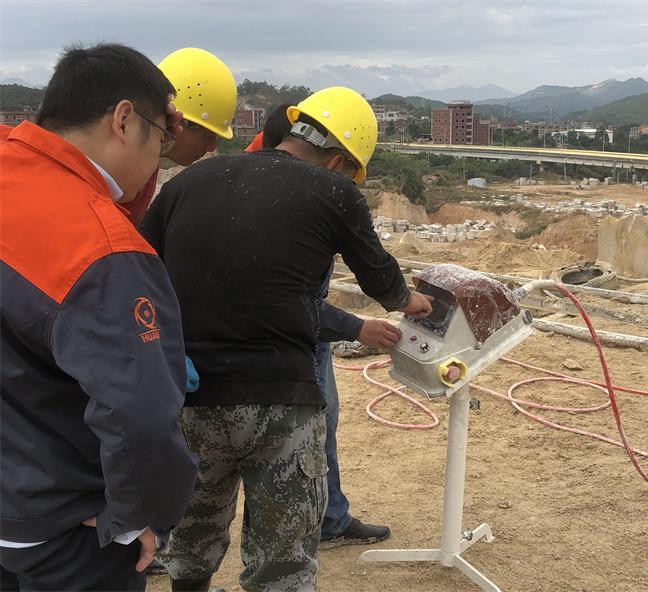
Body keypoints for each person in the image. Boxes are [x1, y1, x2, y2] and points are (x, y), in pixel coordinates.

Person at [137, 86, 432, 592]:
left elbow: (140, 265)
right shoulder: (335, 191)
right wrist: (410, 302)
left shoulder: (191, 181)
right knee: (283, 561)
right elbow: (380, 279)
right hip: (282, 402)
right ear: (338, 161)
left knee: (190, 542)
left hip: (192, 397)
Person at [0, 43, 198, 591]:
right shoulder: (100, 248)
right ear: (124, 119)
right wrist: (139, 514)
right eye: (161, 140)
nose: (159, 158)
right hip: (61, 530)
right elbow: (139, 414)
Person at [245, 106, 397, 548]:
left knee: (321, 420)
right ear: (334, 163)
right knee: (300, 429)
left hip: (306, 333)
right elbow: (288, 300)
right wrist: (365, 323)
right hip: (292, 338)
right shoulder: (304, 190)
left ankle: (329, 516)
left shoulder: (253, 175)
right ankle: (311, 525)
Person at [124, 47, 237, 224]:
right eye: (207, 135)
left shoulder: (146, 168)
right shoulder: (122, 170)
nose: (211, 147)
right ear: (177, 120)